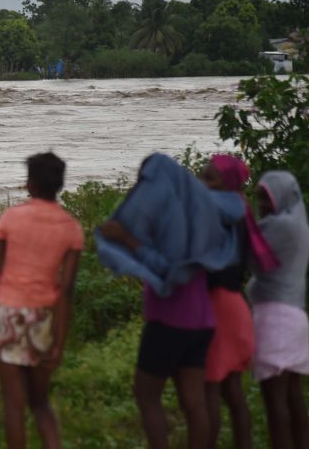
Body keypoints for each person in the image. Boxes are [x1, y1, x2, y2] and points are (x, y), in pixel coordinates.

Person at [96, 153, 244, 449]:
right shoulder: (201, 216)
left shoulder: (175, 222)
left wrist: (127, 240)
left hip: (170, 320)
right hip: (201, 321)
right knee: (194, 401)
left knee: (146, 395)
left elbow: (171, 269)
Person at [0, 152, 84, 449]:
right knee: (40, 404)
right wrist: (59, 342)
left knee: (14, 405)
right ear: (59, 185)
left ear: (29, 183)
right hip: (42, 318)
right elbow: (66, 291)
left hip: (6, 313)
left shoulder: (11, 218)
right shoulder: (71, 228)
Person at [199, 155, 278, 449]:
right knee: (232, 392)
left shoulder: (221, 214)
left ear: (226, 183)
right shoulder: (239, 211)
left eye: (209, 178)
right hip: (235, 305)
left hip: (218, 307)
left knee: (209, 389)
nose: (203, 183)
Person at [250, 171, 309, 449]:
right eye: (260, 198)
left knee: (274, 398)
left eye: (267, 198)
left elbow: (246, 248)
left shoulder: (280, 227)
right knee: (292, 396)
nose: (262, 205)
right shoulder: (299, 224)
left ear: (283, 196)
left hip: (275, 319)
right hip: (295, 316)